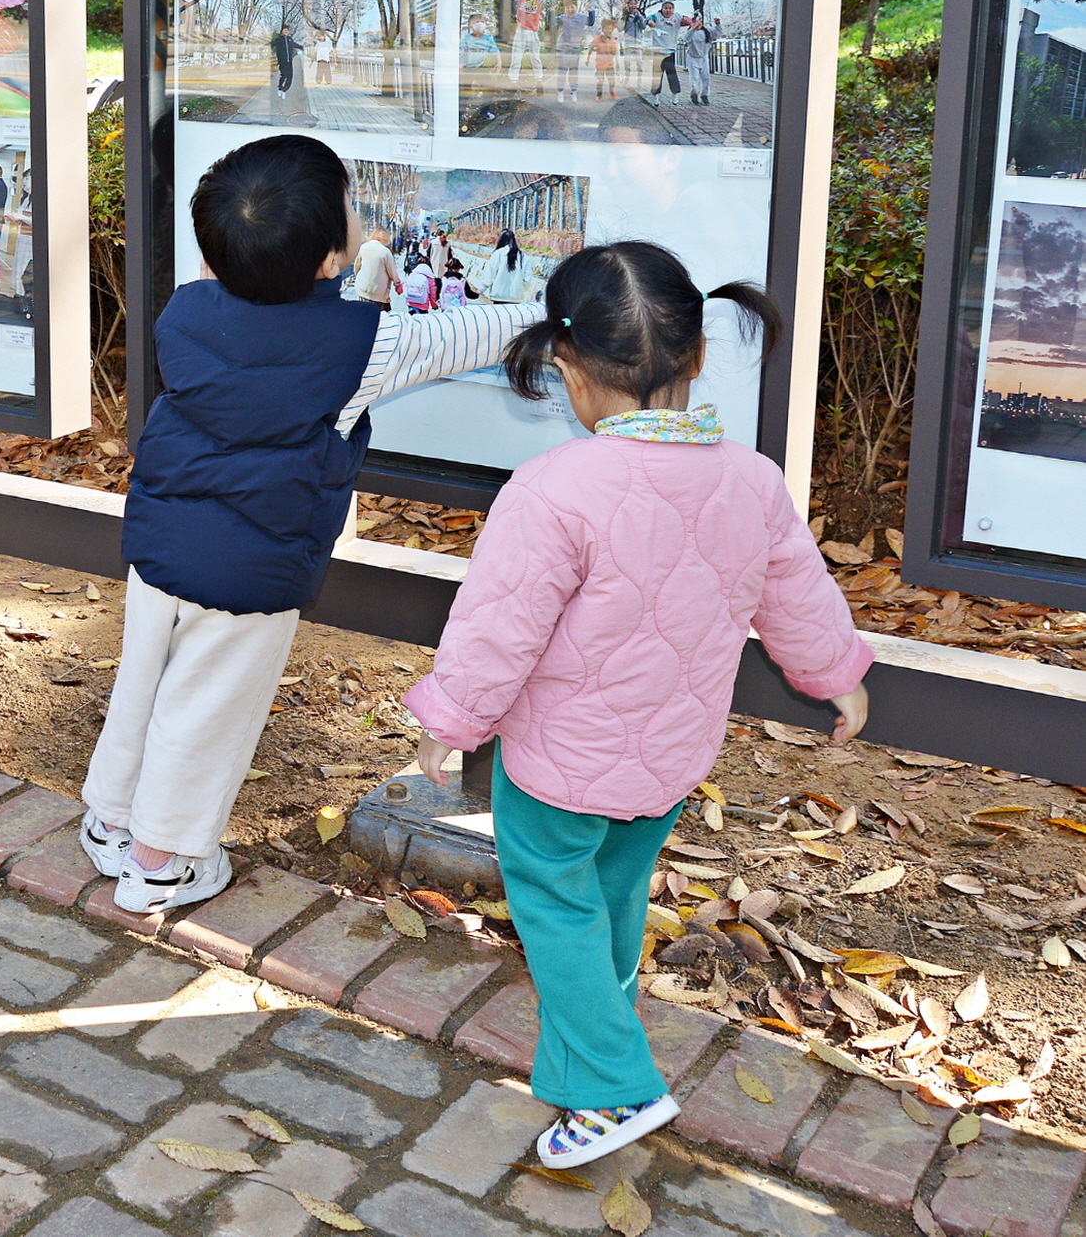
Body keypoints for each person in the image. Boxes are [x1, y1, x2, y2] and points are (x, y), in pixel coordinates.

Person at [406, 243, 872, 1169]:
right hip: (668, 759)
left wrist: (448, 725)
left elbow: (498, 631)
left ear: (568, 368)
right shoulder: (751, 480)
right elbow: (799, 596)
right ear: (697, 359)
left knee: (552, 902)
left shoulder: (552, 491)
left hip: (557, 766)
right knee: (613, 895)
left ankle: (616, 1088)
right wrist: (837, 676)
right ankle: (591, 1065)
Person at [79, 137, 541, 911]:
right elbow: (475, 335)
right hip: (254, 571)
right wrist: (573, 307)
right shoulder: (369, 345)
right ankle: (160, 864)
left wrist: (361, 274)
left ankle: (110, 826)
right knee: (207, 711)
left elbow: (274, 330)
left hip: (161, 542)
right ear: (329, 255)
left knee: (145, 686)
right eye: (354, 213)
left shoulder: (190, 308)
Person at [466, 228, 537, 302]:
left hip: (498, 297)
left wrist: (479, 291)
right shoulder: (524, 257)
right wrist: (521, 289)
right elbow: (528, 279)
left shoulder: (497, 254)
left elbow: (489, 277)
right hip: (516, 298)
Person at [350, 225, 397, 308]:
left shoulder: (363, 247)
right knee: (382, 315)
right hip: (378, 292)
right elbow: (393, 273)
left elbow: (357, 267)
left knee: (364, 311)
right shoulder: (385, 252)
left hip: (362, 289)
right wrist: (398, 284)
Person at [683, 18, 715, 107]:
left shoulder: (707, 32)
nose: (698, 24)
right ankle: (694, 94)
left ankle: (705, 95)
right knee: (694, 78)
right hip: (692, 58)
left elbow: (718, 33)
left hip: (704, 58)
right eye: (695, 22)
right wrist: (693, 28)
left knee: (706, 78)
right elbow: (686, 37)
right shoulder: (691, 33)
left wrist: (718, 24)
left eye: (699, 22)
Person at [591, 17, 621, 100]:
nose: (608, 31)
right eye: (606, 29)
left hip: (609, 65)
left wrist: (610, 51)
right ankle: (599, 94)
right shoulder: (597, 39)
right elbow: (591, 47)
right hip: (600, 65)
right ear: (602, 29)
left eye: (610, 29)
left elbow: (614, 53)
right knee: (601, 80)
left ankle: (611, 90)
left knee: (612, 80)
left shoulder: (613, 42)